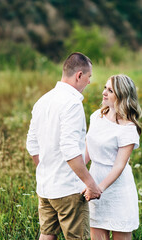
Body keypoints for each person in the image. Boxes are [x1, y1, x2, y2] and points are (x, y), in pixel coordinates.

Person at [26, 52, 102, 240]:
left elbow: (32, 145)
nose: (89, 82)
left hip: (45, 187)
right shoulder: (72, 104)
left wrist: (46, 170)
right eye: (88, 77)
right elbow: (69, 150)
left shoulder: (42, 101)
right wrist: (90, 183)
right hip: (69, 189)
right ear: (79, 76)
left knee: (46, 235)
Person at [84, 74, 142, 240]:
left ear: (122, 95)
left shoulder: (128, 128)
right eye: (105, 88)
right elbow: (87, 152)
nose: (104, 92)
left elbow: (119, 165)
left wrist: (100, 188)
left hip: (117, 190)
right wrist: (77, 176)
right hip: (94, 181)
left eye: (110, 90)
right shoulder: (96, 116)